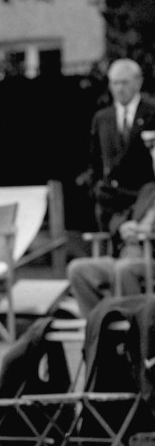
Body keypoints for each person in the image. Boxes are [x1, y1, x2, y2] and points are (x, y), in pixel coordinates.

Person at [85, 58, 155, 240]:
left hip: (143, 199)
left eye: (124, 82)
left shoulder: (151, 113)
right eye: (115, 83)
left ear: (138, 82)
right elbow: (95, 161)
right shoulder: (102, 118)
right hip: (110, 202)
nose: (119, 89)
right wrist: (97, 189)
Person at [67, 181, 155, 317]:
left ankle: (134, 326)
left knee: (124, 269)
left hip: (149, 259)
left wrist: (148, 231)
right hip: (126, 255)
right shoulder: (148, 190)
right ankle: (96, 325)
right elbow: (125, 215)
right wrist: (124, 227)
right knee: (77, 269)